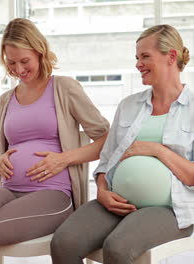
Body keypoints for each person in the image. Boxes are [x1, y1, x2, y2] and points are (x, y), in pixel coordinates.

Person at [0, 18, 109, 264]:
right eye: (11, 63)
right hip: (8, 192)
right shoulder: (4, 102)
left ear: (40, 52)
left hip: (52, 195)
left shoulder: (64, 88)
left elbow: (106, 139)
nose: (18, 69)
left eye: (24, 61)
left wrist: (63, 159)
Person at [51, 24, 194, 264]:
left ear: (171, 57)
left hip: (170, 207)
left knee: (117, 248)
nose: (138, 64)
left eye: (145, 56)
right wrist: (103, 190)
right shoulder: (128, 105)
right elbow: (106, 161)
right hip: (116, 200)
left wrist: (156, 150)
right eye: (137, 57)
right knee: (63, 242)